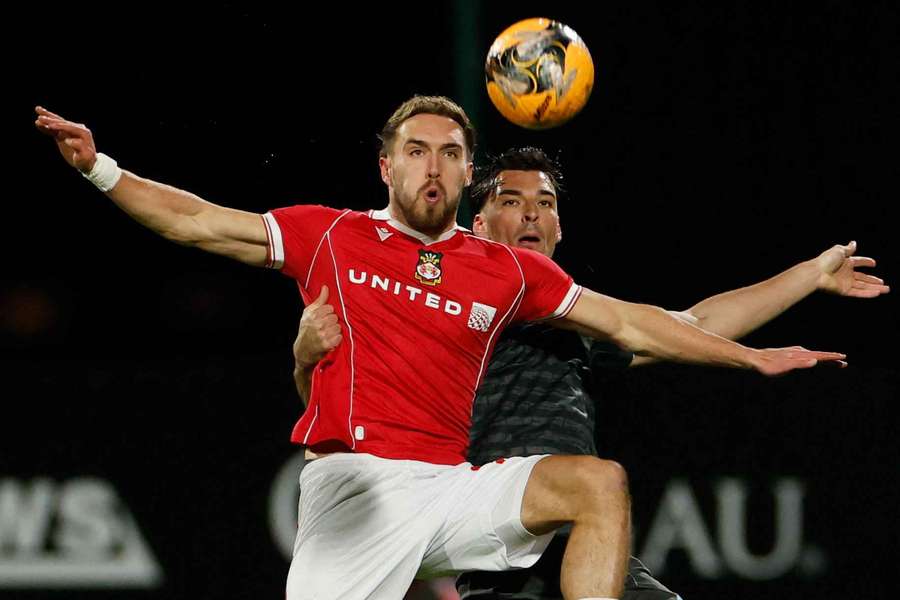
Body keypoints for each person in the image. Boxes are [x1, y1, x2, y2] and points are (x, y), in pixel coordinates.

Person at [35, 97, 846, 600]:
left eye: (452, 152)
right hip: (357, 491)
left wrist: (753, 359)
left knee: (599, 483)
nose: (434, 164)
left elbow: (636, 321)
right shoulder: (335, 237)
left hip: (452, 487)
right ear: (386, 165)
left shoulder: (503, 272)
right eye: (417, 149)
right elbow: (201, 221)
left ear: (465, 175)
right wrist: (101, 168)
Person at [292, 147, 888, 599]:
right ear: (474, 225)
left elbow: (697, 322)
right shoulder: (440, 309)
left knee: (601, 487)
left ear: (559, 230)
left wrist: (808, 275)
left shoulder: (576, 323)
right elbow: (334, 401)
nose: (531, 213)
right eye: (509, 200)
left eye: (545, 204)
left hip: (594, 550)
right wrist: (303, 357)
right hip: (507, 568)